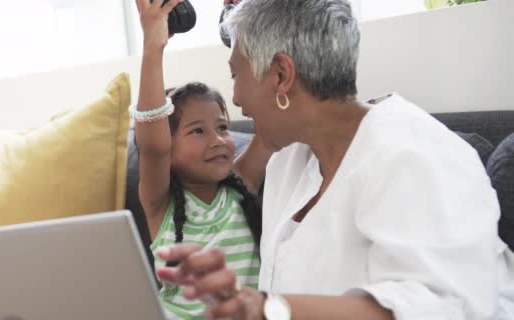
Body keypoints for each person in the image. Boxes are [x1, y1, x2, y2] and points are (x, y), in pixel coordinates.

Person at [155, 0, 514, 319]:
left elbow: (445, 307)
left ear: (281, 75)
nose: (235, 99)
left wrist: (266, 308)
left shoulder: (418, 153)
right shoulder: (287, 161)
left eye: (237, 76)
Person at [132, 0, 272, 318]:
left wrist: (250, 27)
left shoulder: (241, 184)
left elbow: (271, 115)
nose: (219, 141)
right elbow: (152, 144)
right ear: (169, 147)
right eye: (198, 131)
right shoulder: (160, 204)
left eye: (222, 128)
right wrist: (153, 45)